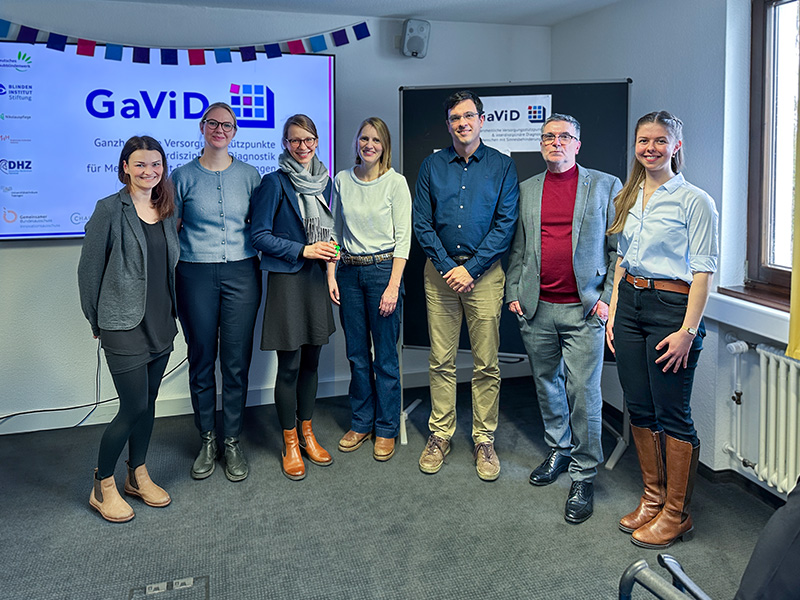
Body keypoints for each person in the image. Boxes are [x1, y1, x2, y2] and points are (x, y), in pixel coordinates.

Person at [606, 111, 718, 548]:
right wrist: (615, 313)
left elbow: (704, 272)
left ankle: (677, 513)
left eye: (660, 141)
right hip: (631, 304)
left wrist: (689, 332)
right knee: (639, 405)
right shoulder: (629, 196)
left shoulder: (695, 200)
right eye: (643, 140)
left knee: (673, 413)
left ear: (676, 147)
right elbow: (621, 260)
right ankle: (652, 499)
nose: (650, 148)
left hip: (673, 309)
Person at [505, 114, 622, 524]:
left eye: (564, 137)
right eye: (548, 137)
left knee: (584, 392)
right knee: (546, 385)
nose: (556, 143)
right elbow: (518, 250)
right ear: (541, 144)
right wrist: (513, 293)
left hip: (583, 309)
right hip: (537, 307)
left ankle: (584, 474)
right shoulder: (527, 190)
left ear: (578, 143)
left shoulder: (606, 186)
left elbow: (617, 251)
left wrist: (607, 300)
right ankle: (559, 449)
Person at [413, 90, 519, 481]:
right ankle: (440, 434)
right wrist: (446, 267)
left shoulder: (502, 167)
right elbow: (421, 222)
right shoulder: (432, 165)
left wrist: (471, 268)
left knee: (486, 363)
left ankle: (483, 439)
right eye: (455, 118)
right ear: (448, 124)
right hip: (439, 276)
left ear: (482, 119)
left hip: (486, 276)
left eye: (469, 115)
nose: (463, 123)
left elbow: (505, 225)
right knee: (441, 360)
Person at [78, 136, 179, 522]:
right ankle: (102, 485)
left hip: (160, 320)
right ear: (125, 167)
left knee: (149, 401)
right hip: (121, 323)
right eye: (140, 165)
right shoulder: (109, 209)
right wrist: (95, 319)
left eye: (155, 164)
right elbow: (88, 271)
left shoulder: (166, 206)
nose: (148, 171)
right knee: (133, 405)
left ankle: (137, 475)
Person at [171, 102, 262, 482]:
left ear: (235, 131)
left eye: (227, 124)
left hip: (242, 273)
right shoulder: (181, 176)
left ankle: (233, 440)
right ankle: (207, 438)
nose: (219, 130)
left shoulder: (250, 175)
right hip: (195, 273)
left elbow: (261, 225)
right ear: (202, 127)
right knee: (202, 357)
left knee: (236, 361)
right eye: (213, 123)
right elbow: (170, 232)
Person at [250, 114, 337, 481]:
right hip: (289, 280)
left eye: (308, 140)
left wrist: (329, 267)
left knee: (312, 363)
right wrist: (304, 250)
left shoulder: (327, 183)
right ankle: (289, 442)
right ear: (285, 144)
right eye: (294, 141)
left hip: (318, 280)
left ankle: (307, 432)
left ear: (317, 141)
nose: (302, 147)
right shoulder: (274, 183)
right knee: (289, 366)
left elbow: (334, 234)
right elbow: (259, 236)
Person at [328, 117, 412, 462]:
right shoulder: (342, 180)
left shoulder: (396, 183)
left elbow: (404, 239)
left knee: (386, 359)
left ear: (384, 145)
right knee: (357, 356)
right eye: (364, 138)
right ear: (357, 143)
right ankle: (361, 423)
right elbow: (334, 233)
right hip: (348, 273)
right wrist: (330, 275)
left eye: (376, 140)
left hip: (383, 274)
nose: (369, 145)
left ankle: (387, 427)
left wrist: (393, 286)